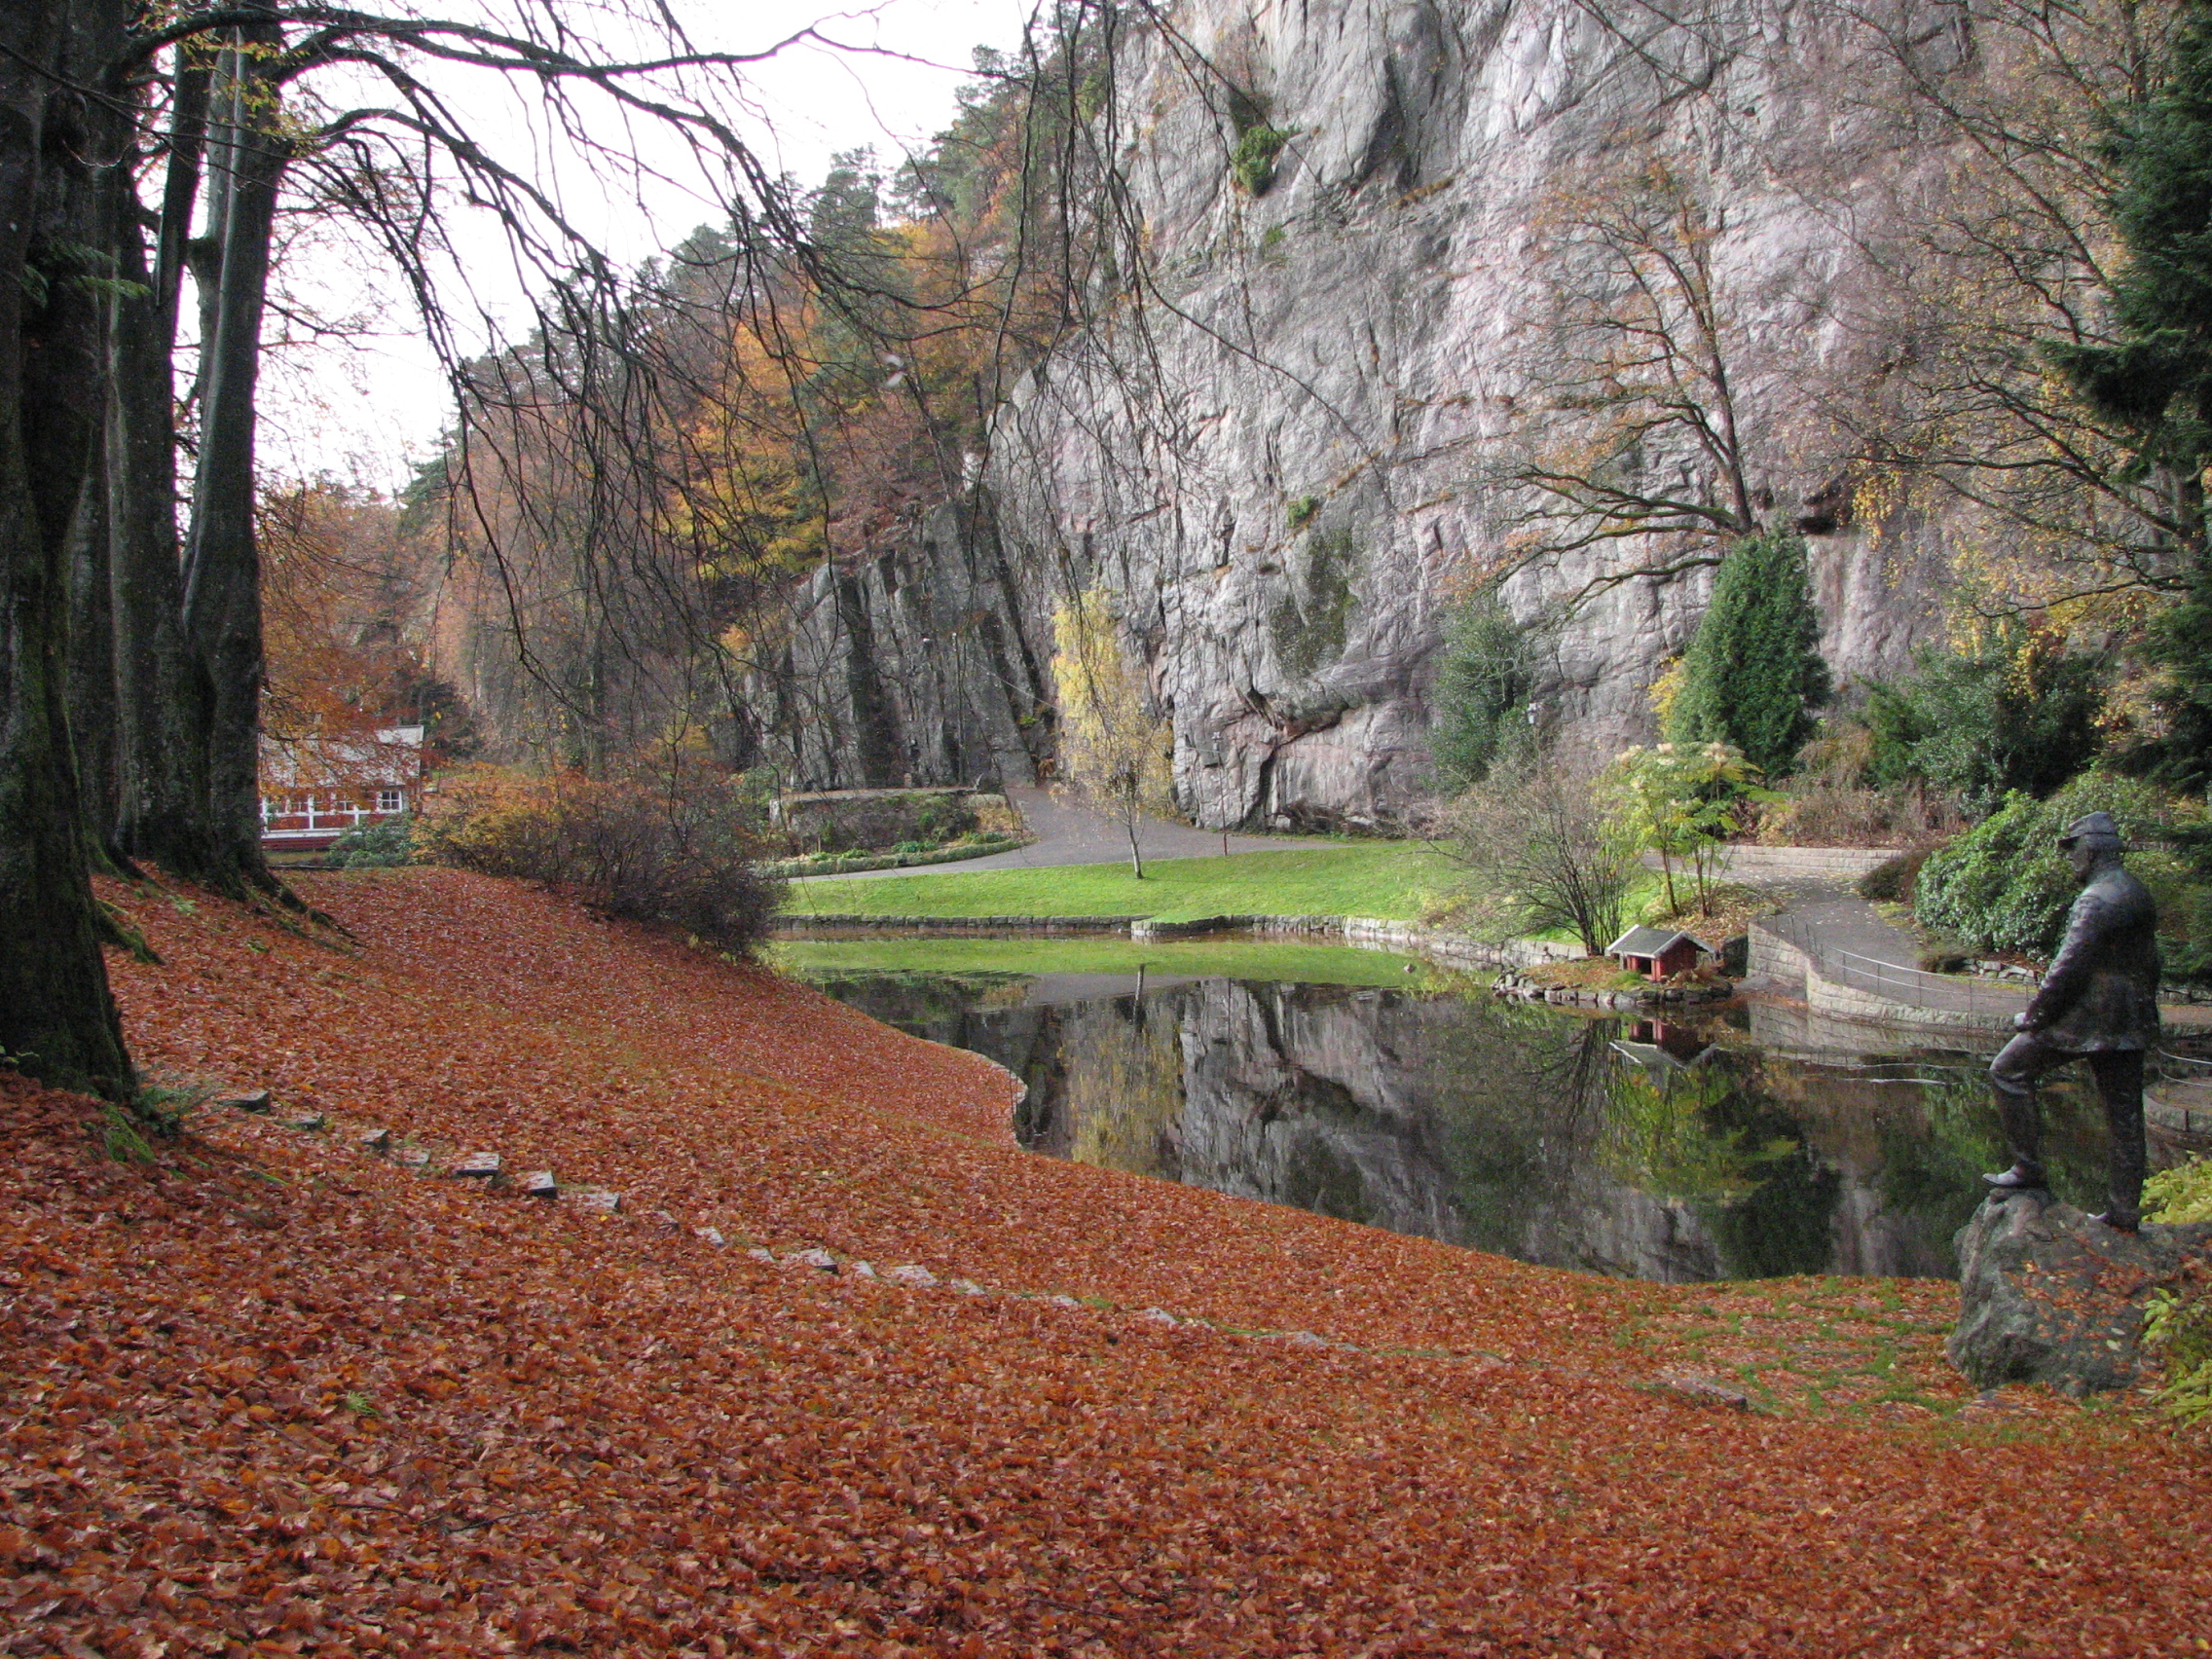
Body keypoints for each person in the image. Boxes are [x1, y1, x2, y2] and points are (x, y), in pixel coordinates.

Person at [1982, 811, 2159, 1232]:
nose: (2071, 860)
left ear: (2093, 851)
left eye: (2074, 850)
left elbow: (2068, 967)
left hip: (2088, 1015)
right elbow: (2153, 961)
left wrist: (2035, 1016)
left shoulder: (2097, 898)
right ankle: (2124, 1212)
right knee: (2125, 1116)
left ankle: (2029, 1170)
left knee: (2007, 1071)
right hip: (2129, 1016)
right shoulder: (2137, 891)